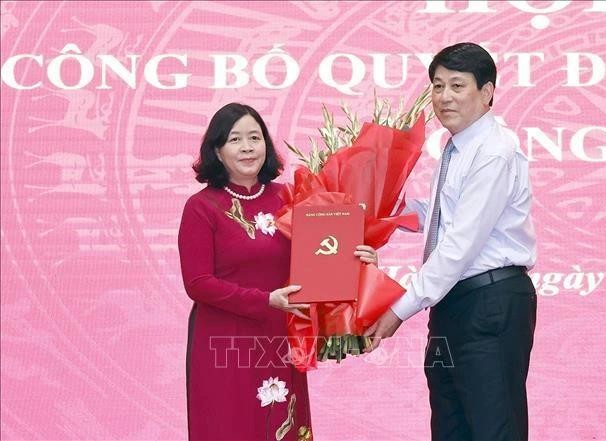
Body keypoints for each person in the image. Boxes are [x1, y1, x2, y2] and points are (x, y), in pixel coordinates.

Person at [365, 43, 537, 441]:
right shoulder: (456, 148)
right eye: (437, 86)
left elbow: (460, 245)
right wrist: (376, 204)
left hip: (489, 305)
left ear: (487, 91)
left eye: (457, 85)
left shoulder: (493, 151)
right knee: (451, 427)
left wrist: (398, 310)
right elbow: (442, 215)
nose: (443, 97)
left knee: (493, 430)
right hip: (455, 304)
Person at [178, 102, 377, 440]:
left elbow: (320, 256)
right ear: (217, 150)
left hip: (279, 336)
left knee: (281, 427)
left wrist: (358, 260)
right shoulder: (201, 207)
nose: (246, 147)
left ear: (266, 146)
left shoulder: (289, 197)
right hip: (224, 341)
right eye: (235, 139)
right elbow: (198, 284)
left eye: (254, 138)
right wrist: (264, 300)